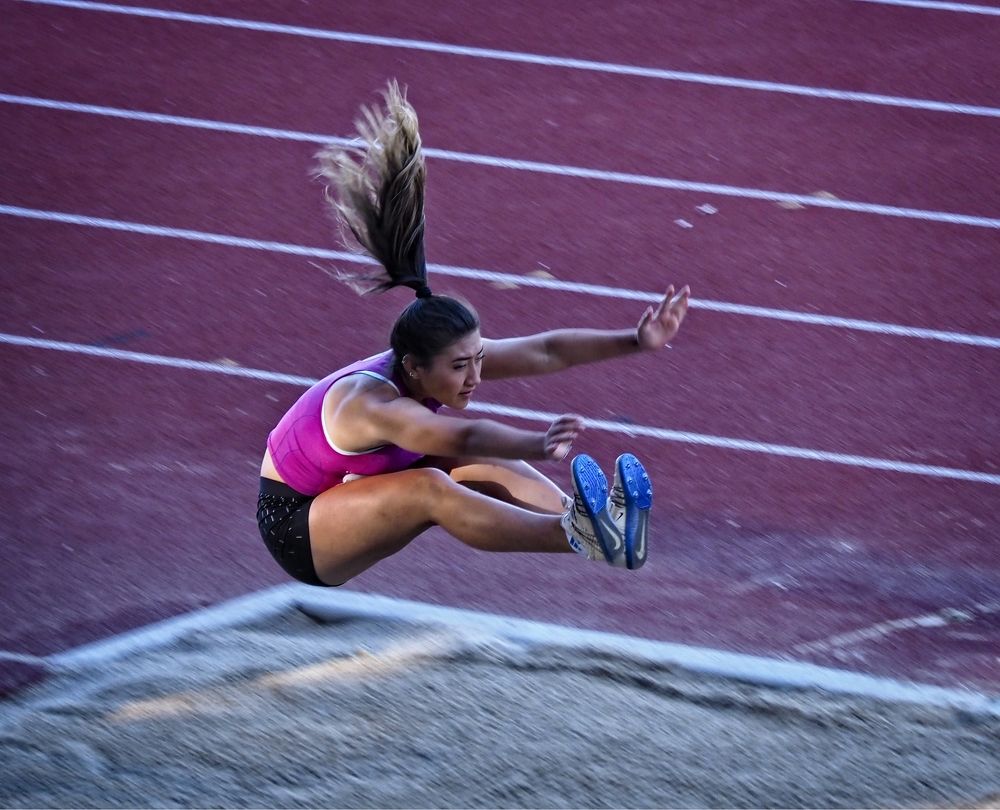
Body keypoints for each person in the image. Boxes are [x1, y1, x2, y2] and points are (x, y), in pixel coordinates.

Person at [257, 81, 690, 587]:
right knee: (430, 485)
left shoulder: (434, 359)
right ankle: (575, 535)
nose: (474, 376)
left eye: (477, 359)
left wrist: (635, 340)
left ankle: (597, 527)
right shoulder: (372, 406)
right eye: (461, 367)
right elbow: (464, 430)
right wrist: (536, 442)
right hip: (299, 528)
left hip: (352, 492)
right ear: (414, 367)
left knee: (464, 460)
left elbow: (545, 350)